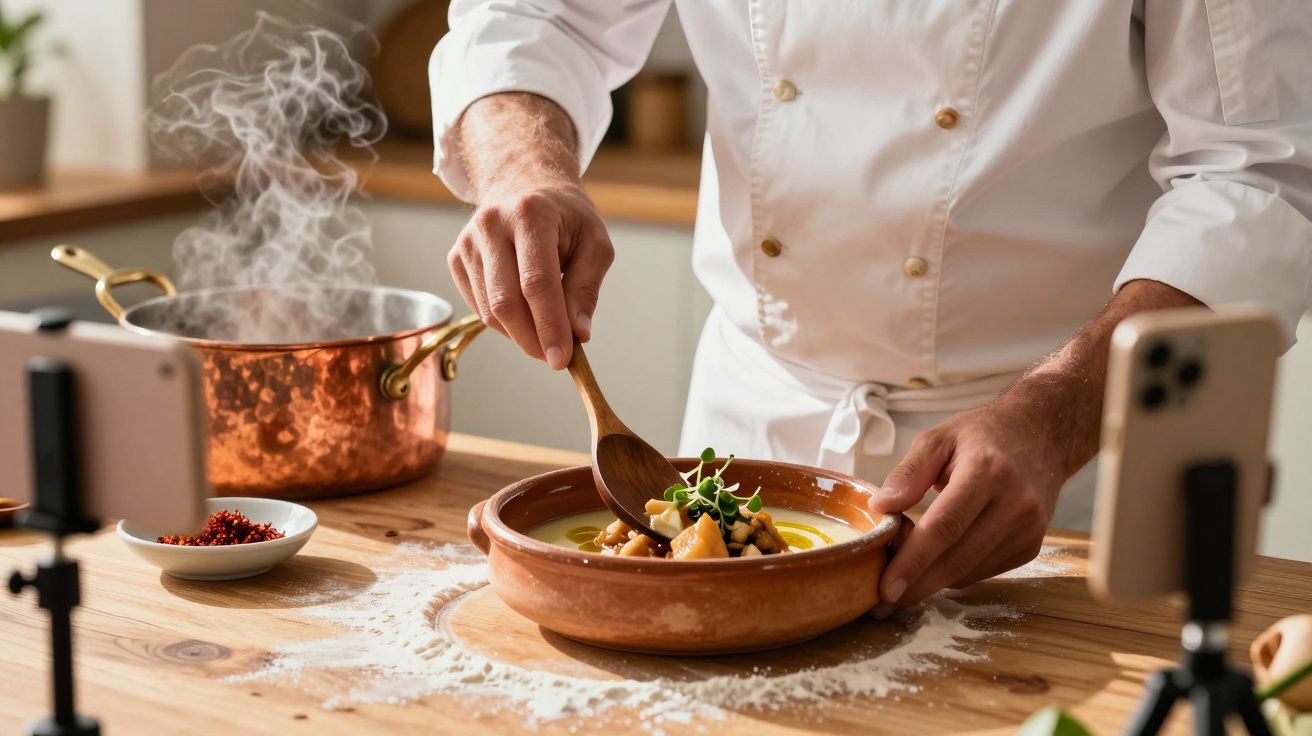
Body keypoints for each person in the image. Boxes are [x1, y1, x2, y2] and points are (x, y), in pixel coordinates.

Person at [430, 2, 1312, 617]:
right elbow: (536, 17)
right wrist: (523, 170)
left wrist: (1056, 417)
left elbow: (1259, 172)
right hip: (755, 423)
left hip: (1078, 448)